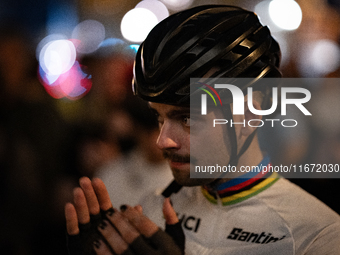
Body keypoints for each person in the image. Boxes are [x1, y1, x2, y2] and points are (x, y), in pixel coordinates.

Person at [65, 5, 340, 255]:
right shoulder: (152, 208)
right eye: (159, 118)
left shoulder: (317, 234)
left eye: (187, 118)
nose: (163, 141)